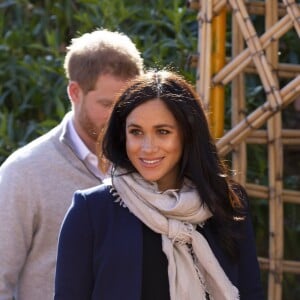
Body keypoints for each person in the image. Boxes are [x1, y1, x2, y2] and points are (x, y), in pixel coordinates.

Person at [54, 70, 264, 300]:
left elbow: (251, 293)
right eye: (136, 132)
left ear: (187, 135)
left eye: (163, 132)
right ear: (123, 135)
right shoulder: (91, 211)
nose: (148, 147)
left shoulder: (224, 203)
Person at [0, 29, 143, 300]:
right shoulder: (24, 173)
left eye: (128, 103)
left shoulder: (146, 164)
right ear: (74, 92)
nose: (120, 116)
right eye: (107, 104)